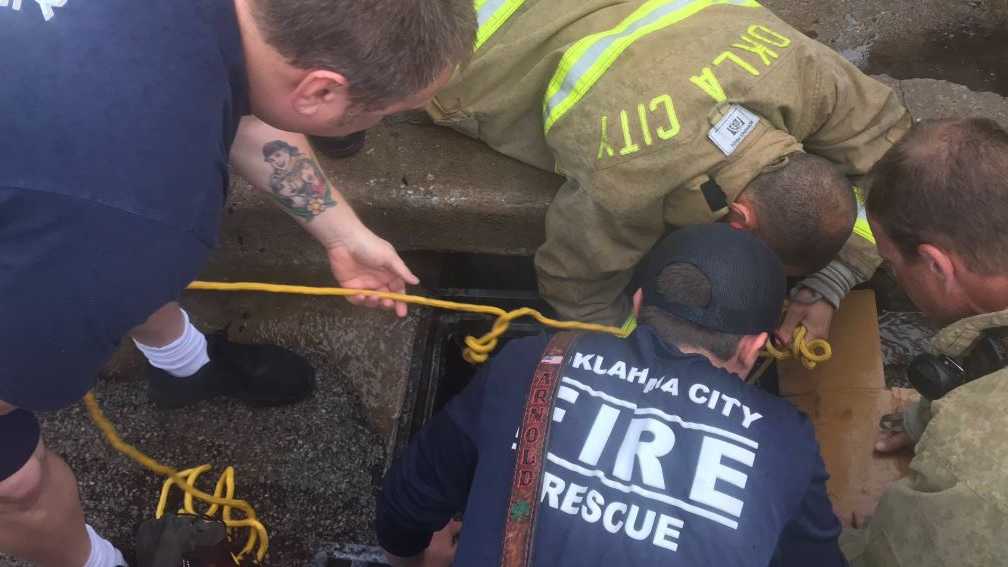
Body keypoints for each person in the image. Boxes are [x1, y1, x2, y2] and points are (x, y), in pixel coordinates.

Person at [0, 1, 476, 565]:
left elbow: (241, 106)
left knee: (121, 269)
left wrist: (341, 232)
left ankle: (184, 368)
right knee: (19, 487)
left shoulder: (228, 29)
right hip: (84, 212)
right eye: (387, 113)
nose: (380, 124)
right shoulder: (139, 211)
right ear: (322, 91)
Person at [429, 0, 911, 342]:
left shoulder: (802, 71)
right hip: (473, 33)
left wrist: (831, 279)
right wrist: (644, 356)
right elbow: (577, 285)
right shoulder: (630, 172)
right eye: (756, 258)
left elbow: (891, 151)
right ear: (739, 219)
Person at [377, 224, 846, 566]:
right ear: (754, 347)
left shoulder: (534, 362)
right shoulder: (785, 440)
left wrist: (413, 561)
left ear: (638, 305)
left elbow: (406, 502)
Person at [840, 118, 1008, 566]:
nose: (895, 276)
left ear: (936, 264)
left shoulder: (971, 475)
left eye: (893, 264)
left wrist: (888, 531)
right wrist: (924, 417)